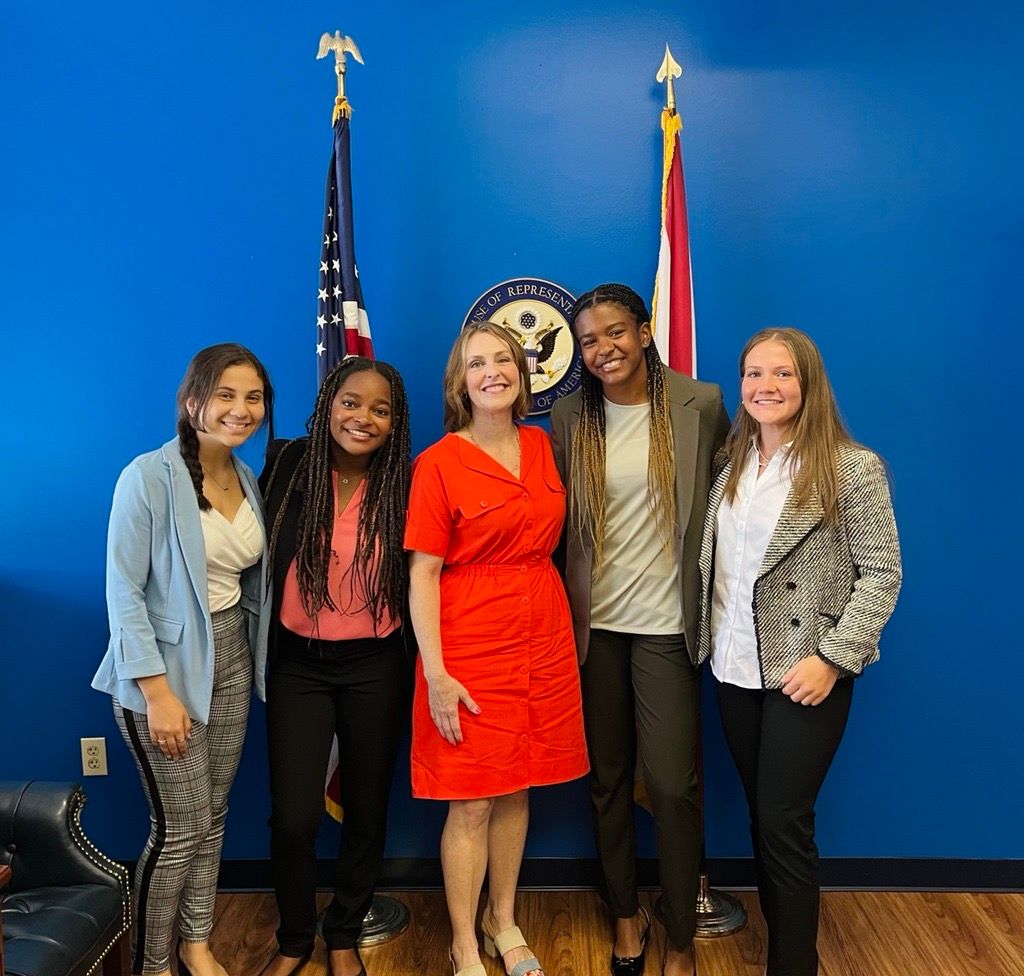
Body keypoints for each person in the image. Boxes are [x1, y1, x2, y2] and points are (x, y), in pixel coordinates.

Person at [696, 328, 901, 976]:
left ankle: (793, 967)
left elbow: (882, 573)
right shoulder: (729, 464)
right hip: (733, 667)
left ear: (808, 382)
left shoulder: (850, 467)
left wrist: (834, 657)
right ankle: (786, 949)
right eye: (754, 373)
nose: (766, 386)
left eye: (782, 373)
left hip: (805, 671)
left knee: (784, 820)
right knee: (765, 819)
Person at [550, 283, 729, 976]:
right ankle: (626, 916)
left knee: (674, 785)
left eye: (615, 332)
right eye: (589, 340)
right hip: (594, 629)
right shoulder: (571, 415)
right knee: (607, 779)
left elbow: (733, 500)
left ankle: (680, 935)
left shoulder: (700, 404)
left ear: (645, 331)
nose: (603, 349)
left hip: (665, 628)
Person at [405, 321, 589, 976]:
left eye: (504, 360)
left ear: (522, 372)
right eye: (477, 363)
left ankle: (501, 919)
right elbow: (423, 574)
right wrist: (437, 673)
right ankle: (464, 941)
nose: (493, 372)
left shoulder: (543, 445)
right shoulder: (437, 463)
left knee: (517, 788)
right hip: (470, 641)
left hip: (543, 631)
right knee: (474, 797)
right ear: (460, 382)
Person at [92, 343, 274, 976]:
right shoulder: (148, 476)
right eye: (225, 394)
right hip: (164, 670)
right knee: (179, 828)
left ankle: (196, 945)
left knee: (213, 815)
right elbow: (123, 591)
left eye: (254, 397)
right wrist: (157, 693)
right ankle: (151, 964)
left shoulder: (246, 475)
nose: (241, 409)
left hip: (232, 654)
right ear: (193, 399)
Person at [258, 357, 412, 976]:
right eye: (350, 402)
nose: (363, 418)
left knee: (367, 809)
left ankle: (344, 933)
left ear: (396, 422)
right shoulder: (288, 465)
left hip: (377, 663)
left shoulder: (407, 481)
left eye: (380, 409)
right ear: (328, 406)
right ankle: (295, 939)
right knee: (294, 816)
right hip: (299, 665)